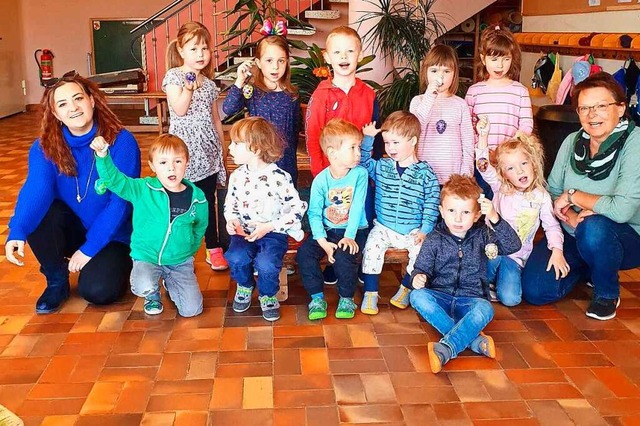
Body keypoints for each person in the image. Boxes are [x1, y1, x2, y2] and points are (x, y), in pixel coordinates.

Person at [4, 71, 141, 314]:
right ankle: (56, 280)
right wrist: (18, 230)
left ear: (92, 100)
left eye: (78, 99)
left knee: (97, 291)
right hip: (74, 227)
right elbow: (37, 189)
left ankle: (122, 263)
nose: (73, 108)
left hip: (114, 235)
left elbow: (120, 203)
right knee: (40, 214)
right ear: (55, 113)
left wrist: (90, 248)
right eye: (63, 104)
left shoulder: (121, 141)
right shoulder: (45, 147)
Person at [522, 72, 640, 321]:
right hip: (573, 230)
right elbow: (553, 192)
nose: (591, 114)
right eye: (584, 108)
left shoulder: (635, 142)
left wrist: (574, 196)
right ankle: (592, 266)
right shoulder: (571, 141)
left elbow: (621, 210)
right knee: (535, 289)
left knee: (595, 227)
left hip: (625, 236)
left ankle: (606, 293)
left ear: (620, 108)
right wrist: (574, 219)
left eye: (600, 106)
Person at [408, 175, 521, 373]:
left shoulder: (484, 235)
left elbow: (513, 245)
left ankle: (446, 348)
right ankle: (474, 340)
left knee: (486, 309)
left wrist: (495, 218)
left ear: (477, 215)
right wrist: (418, 276)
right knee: (417, 296)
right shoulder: (434, 238)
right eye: (451, 211)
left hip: (470, 300)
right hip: (440, 298)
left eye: (466, 212)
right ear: (442, 211)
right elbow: (421, 267)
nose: (457, 218)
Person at [90, 134, 206, 317]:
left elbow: (200, 227)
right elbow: (115, 181)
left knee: (192, 310)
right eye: (163, 163)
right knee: (142, 285)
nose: (171, 168)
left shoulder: (197, 198)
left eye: (178, 161)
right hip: (147, 256)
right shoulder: (142, 189)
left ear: (186, 162)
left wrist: (189, 249)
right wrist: (103, 156)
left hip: (179, 260)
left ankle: (170, 281)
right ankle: (152, 293)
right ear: (152, 166)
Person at [475, 118, 568, 306]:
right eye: (510, 168)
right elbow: (483, 166)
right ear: (503, 174)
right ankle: (479, 283)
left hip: (516, 258)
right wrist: (483, 136)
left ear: (533, 163)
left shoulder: (541, 196)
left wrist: (557, 251)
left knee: (511, 299)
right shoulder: (500, 186)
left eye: (523, 164)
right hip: (492, 251)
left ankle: (494, 283)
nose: (519, 171)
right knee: (491, 257)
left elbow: (551, 226)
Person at [224, 117, 307, 322]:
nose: (230, 148)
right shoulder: (236, 176)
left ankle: (268, 294)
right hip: (243, 233)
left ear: (255, 148)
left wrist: (269, 226)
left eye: (236, 143)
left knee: (267, 263)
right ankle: (244, 286)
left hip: (272, 233)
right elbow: (230, 204)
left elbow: (298, 209)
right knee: (235, 257)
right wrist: (231, 220)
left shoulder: (279, 177)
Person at [359, 112, 440, 314]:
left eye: (395, 142)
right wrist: (369, 138)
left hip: (414, 230)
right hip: (384, 227)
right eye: (387, 143)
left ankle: (406, 288)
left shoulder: (426, 172)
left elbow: (432, 202)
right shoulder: (383, 166)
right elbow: (363, 163)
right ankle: (370, 293)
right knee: (371, 249)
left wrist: (425, 230)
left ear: (412, 141)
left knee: (421, 255)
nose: (390, 148)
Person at [163, 21, 227, 271]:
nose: (200, 54)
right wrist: (189, 88)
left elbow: (215, 119)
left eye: (204, 48)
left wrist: (221, 150)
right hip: (182, 156)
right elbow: (179, 109)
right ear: (180, 50)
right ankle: (180, 250)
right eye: (193, 49)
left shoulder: (210, 85)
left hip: (208, 154)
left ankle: (214, 248)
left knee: (207, 202)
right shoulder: (174, 77)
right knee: (181, 202)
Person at [296, 119, 369, 320]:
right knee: (304, 254)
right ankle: (317, 297)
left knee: (345, 257)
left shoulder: (360, 174)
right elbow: (314, 213)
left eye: (359, 147)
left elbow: (356, 207)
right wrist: (322, 241)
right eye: (352, 148)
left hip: (354, 230)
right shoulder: (321, 180)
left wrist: (349, 236)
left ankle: (346, 297)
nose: (358, 153)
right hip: (326, 231)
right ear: (333, 153)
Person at [465, 26, 533, 198]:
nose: (500, 65)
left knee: (507, 200)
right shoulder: (474, 91)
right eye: (494, 59)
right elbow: (467, 125)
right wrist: (481, 150)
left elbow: (526, 125)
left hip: (510, 161)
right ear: (483, 58)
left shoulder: (520, 90)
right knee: (482, 200)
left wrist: (505, 152)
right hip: (482, 159)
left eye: (506, 59)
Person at [223, 35, 300, 185]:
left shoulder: (292, 94)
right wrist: (239, 80)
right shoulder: (251, 90)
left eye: (281, 61)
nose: (275, 67)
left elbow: (294, 130)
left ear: (287, 62)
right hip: (257, 160)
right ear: (258, 62)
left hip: (286, 162)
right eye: (269, 60)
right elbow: (228, 108)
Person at [305, 26, 380, 177]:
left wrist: (374, 175)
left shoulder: (369, 94)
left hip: (362, 175)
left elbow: (376, 138)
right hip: (330, 175)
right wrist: (319, 174)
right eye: (337, 52)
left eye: (350, 51)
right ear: (327, 57)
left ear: (360, 56)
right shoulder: (320, 95)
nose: (344, 57)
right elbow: (313, 137)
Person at [409, 44, 474, 185]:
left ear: (454, 74)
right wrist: (429, 97)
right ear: (425, 72)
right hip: (423, 176)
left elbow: (468, 143)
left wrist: (466, 175)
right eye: (434, 70)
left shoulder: (460, 104)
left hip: (453, 178)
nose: (440, 76)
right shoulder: (418, 101)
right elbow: (415, 131)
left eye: (446, 71)